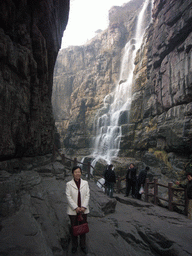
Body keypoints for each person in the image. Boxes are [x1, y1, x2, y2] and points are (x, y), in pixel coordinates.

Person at [66, 166, 90, 254]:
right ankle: (74, 245)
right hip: (73, 211)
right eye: (76, 172)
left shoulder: (85, 183)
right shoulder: (69, 184)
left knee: (83, 227)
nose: (77, 174)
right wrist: (75, 207)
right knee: (74, 228)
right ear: (73, 173)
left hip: (84, 210)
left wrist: (83, 206)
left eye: (79, 172)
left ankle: (83, 245)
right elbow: (68, 196)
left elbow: (87, 195)